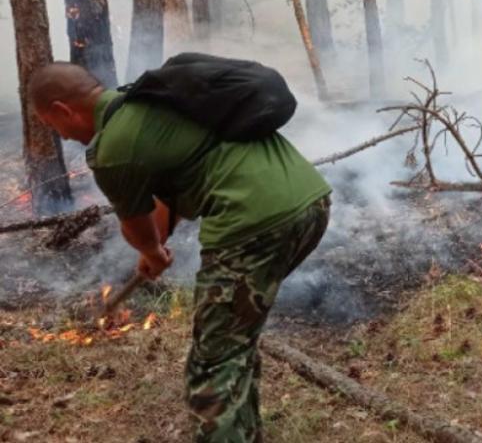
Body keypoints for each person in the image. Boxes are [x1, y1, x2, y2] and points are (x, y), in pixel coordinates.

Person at [28, 61, 332, 441]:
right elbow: (165, 200)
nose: (64, 136)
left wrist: (152, 253)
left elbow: (137, 226)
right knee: (231, 341)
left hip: (253, 223)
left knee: (213, 363)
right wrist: (155, 247)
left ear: (62, 110)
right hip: (310, 204)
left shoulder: (113, 147)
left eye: (54, 126)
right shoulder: (151, 100)